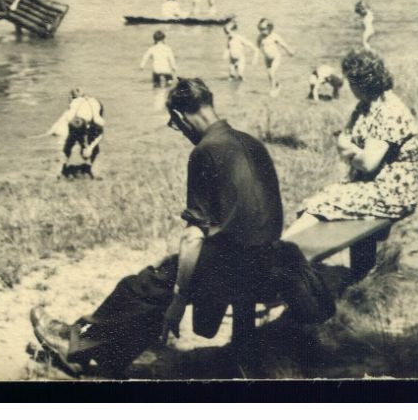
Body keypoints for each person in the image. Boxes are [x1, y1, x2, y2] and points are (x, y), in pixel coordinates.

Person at [28, 77, 285, 378]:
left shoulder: (205, 151)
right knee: (167, 271)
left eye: (173, 124)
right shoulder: (250, 142)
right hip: (267, 255)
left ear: (178, 116)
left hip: (237, 267)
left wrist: (180, 297)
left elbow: (193, 235)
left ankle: (75, 342)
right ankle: (106, 354)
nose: (178, 130)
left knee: (143, 288)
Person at [285, 50, 418, 233]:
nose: (348, 87)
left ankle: (279, 254)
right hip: (371, 186)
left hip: (391, 194)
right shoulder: (367, 105)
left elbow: (367, 163)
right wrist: (353, 150)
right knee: (316, 203)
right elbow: (344, 138)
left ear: (361, 84)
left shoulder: (389, 112)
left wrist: (348, 153)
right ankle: (286, 253)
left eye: (350, 82)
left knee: (316, 205)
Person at [48, 88, 106, 176]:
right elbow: (64, 118)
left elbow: (101, 134)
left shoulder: (96, 119)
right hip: (79, 119)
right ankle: (61, 169)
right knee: (69, 143)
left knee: (91, 142)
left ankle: (94, 169)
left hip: (92, 116)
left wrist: (90, 148)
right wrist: (53, 130)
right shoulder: (73, 111)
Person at [256, 18, 295, 96]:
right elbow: (257, 47)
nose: (261, 31)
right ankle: (277, 85)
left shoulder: (274, 36)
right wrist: (255, 57)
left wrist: (289, 51)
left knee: (272, 72)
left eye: (263, 29)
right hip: (267, 59)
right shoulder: (260, 37)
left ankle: (273, 90)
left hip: (275, 58)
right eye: (259, 29)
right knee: (270, 75)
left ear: (270, 28)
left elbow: (283, 44)